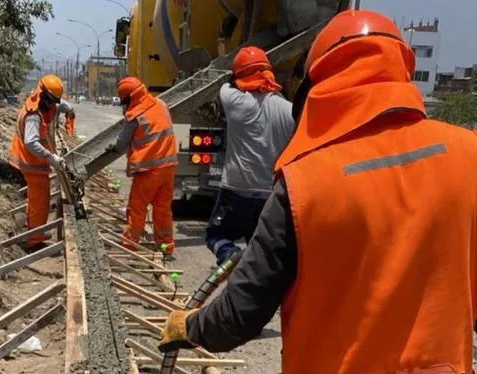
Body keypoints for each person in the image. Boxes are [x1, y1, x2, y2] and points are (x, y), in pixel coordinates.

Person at [158, 9, 477, 374]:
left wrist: (191, 327)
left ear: (316, 86)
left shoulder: (305, 185)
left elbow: (240, 314)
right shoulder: (469, 156)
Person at [206, 46, 294, 265]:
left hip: (236, 189)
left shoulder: (234, 101)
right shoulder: (289, 110)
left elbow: (225, 84)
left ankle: (229, 256)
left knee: (216, 235)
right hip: (270, 194)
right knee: (259, 245)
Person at [106, 76, 178, 258]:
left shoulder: (135, 116)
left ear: (129, 98)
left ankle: (130, 245)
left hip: (148, 171)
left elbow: (121, 144)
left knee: (137, 209)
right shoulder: (161, 104)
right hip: (168, 167)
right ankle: (166, 247)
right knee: (162, 209)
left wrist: (111, 147)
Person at [9, 74, 72, 252]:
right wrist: (51, 157)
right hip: (32, 163)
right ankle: (34, 239)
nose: (53, 105)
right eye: (52, 101)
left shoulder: (41, 103)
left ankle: (35, 230)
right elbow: (31, 142)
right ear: (44, 96)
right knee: (40, 201)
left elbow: (55, 108)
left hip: (34, 163)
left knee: (36, 199)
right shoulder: (34, 116)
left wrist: (64, 107)